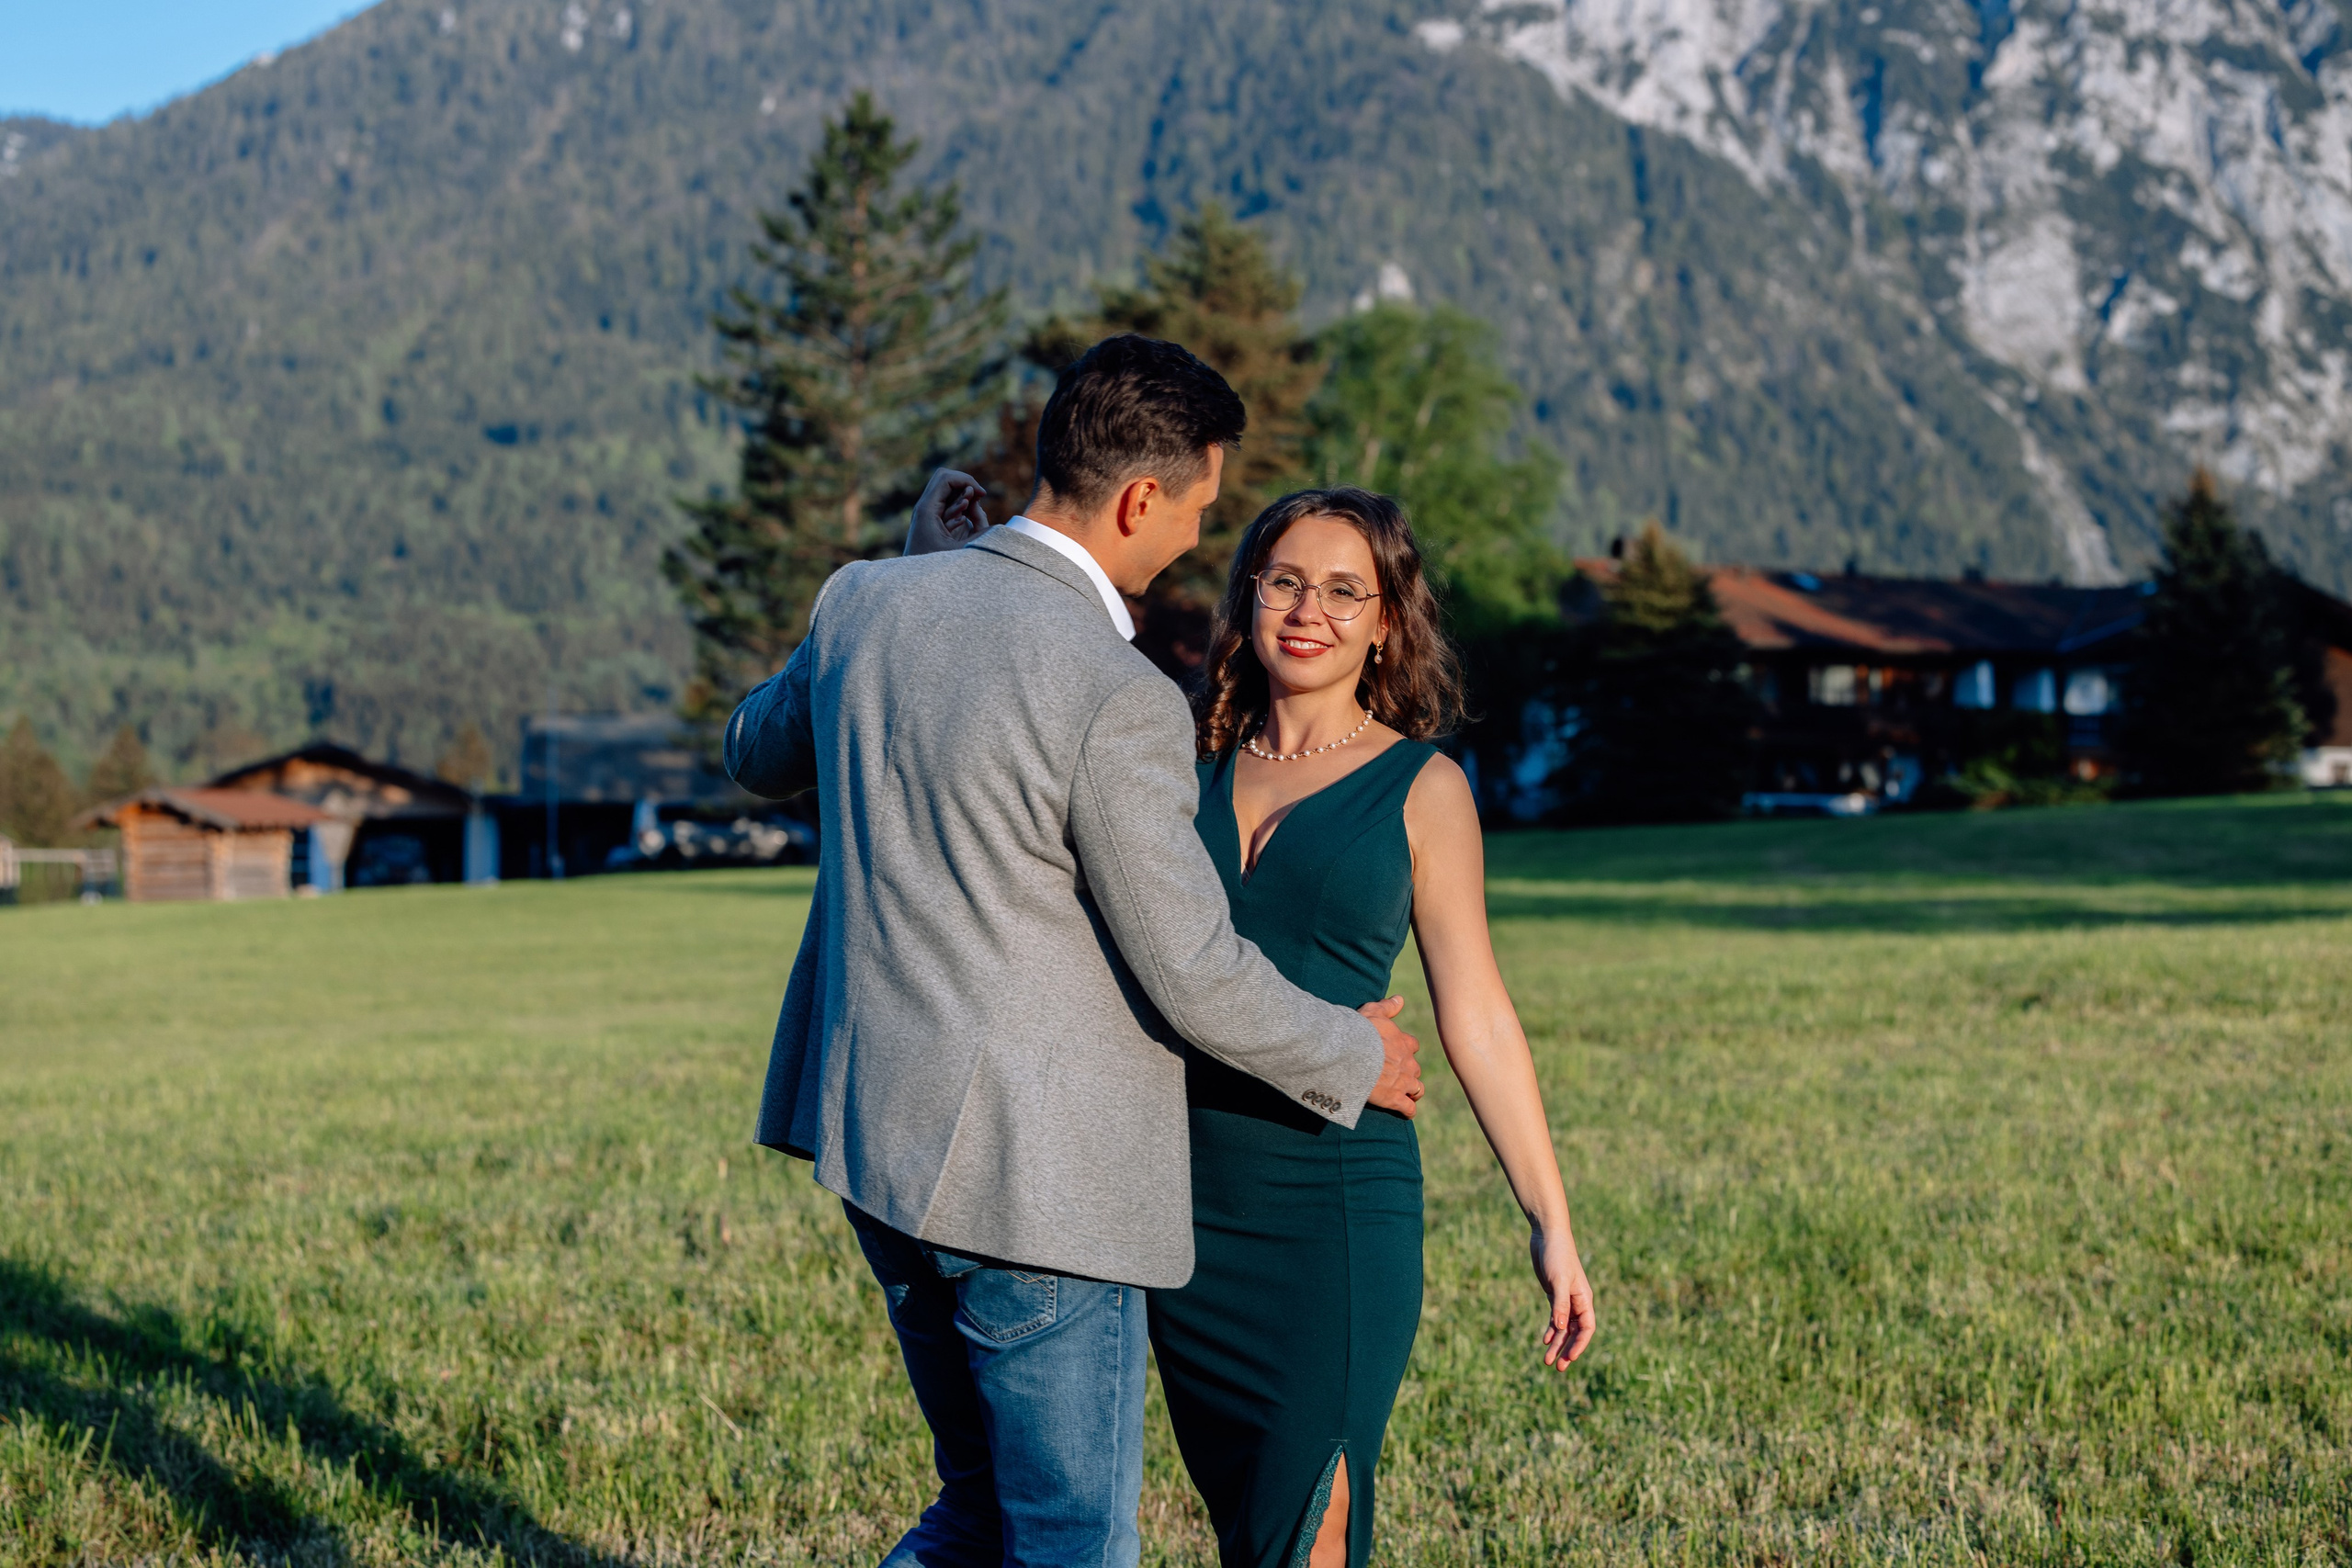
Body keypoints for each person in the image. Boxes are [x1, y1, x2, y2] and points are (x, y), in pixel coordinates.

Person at [723, 334, 1426, 1568]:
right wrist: (1345, 1048)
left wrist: (911, 574)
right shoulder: (1115, 691)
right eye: (1200, 511)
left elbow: (756, 751)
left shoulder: (868, 602)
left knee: (980, 1506)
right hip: (1035, 1188)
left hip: (874, 1145)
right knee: (1065, 1537)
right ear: (1139, 499)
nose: (1199, 543)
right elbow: (1192, 966)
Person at [908, 481, 1597, 1568]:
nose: (1308, 611)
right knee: (1246, 1528)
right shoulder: (1171, 765)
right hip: (1175, 1213)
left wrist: (1548, 1219)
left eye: (1342, 591)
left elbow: (1478, 1017)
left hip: (1333, 1206)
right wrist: (958, 563)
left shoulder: (1423, 789)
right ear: (1248, 598)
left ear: (1384, 622)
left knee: (1310, 1520)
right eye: (1284, 582)